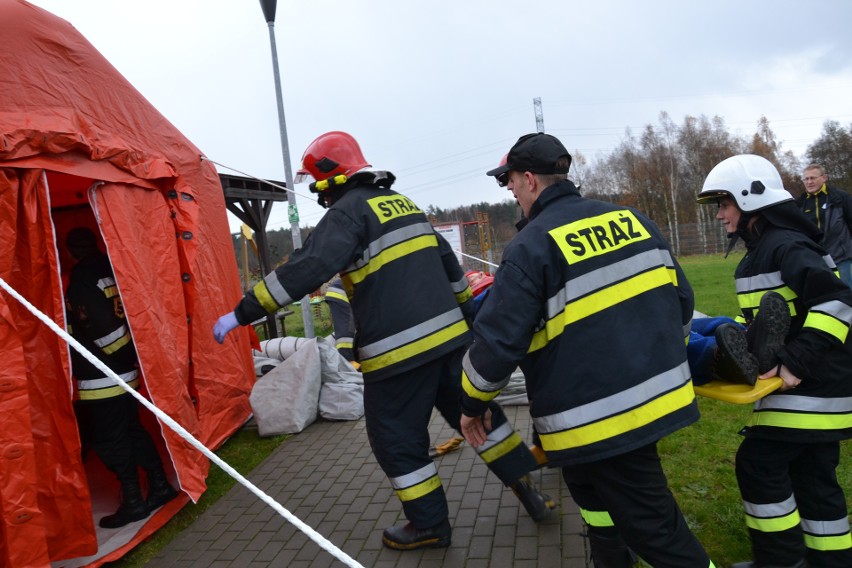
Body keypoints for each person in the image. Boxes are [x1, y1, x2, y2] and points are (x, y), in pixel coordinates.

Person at [212, 131, 553, 550]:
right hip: (451, 345)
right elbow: (452, 270)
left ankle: (429, 525)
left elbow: (308, 267)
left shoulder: (347, 214)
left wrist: (243, 312)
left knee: (397, 440)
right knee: (477, 417)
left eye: (316, 184)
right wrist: (466, 320)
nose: (317, 193)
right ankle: (527, 489)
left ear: (329, 180)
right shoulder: (405, 205)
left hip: (397, 359)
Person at [459, 133, 714, 567]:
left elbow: (497, 344)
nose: (511, 193)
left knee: (657, 533)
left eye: (510, 183)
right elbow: (682, 305)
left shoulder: (530, 246)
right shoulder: (633, 220)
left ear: (528, 179)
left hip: (600, 418)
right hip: (647, 400)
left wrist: (471, 402)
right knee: (594, 502)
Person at [697, 154, 852, 568]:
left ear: (750, 200)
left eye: (723, 204)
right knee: (814, 479)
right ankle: (831, 561)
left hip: (812, 387)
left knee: (759, 464)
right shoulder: (768, 247)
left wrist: (795, 363)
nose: (720, 216)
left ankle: (780, 561)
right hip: (823, 387)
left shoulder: (785, 245)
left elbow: (837, 302)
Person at [64, 227, 178, 529]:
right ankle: (159, 486)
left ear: (70, 251)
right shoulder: (109, 267)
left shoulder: (82, 280)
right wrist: (130, 359)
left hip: (101, 377)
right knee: (132, 430)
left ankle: (133, 502)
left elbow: (103, 329)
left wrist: (118, 355)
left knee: (110, 440)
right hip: (123, 372)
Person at [796, 163, 852, 288]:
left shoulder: (839, 197)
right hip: (815, 259)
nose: (809, 182)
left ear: (824, 178)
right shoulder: (799, 204)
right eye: (806, 179)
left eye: (813, 178)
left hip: (840, 257)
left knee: (846, 293)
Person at [324, 277, 357, 364]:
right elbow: (345, 335)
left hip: (343, 290)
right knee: (347, 331)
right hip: (341, 292)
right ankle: (348, 362)